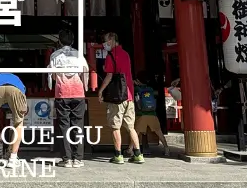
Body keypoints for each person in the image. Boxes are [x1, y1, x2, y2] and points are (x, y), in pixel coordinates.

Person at [97, 32, 142, 164]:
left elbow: (109, 76)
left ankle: (118, 155)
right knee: (130, 126)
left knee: (115, 126)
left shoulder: (111, 55)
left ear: (111, 40)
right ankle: (138, 154)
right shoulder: (126, 54)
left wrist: (101, 91)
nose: (104, 44)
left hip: (117, 97)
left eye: (105, 41)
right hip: (129, 96)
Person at [47, 28, 88, 168]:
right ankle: (78, 159)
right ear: (73, 41)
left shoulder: (55, 55)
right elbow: (85, 72)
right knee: (78, 125)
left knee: (64, 126)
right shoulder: (79, 55)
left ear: (59, 41)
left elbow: (52, 75)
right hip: (78, 92)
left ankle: (67, 159)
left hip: (62, 93)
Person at [0, 72, 28, 167]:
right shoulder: (17, 79)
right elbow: (23, 92)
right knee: (19, 123)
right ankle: (12, 158)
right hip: (16, 89)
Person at [133, 73, 166, 155]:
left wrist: (132, 83)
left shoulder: (137, 89)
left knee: (135, 132)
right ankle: (167, 148)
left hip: (141, 115)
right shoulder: (150, 89)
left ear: (138, 81)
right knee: (159, 132)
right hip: (153, 114)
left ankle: (130, 149)